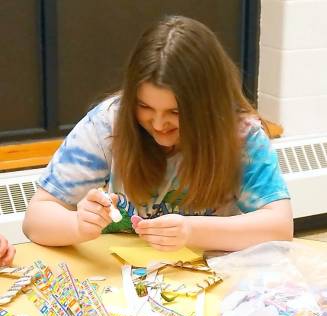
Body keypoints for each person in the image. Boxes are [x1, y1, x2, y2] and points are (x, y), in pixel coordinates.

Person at [23, 15, 293, 252]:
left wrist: (191, 231)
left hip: (206, 277)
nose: (159, 124)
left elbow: (280, 227)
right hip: (118, 279)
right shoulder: (109, 123)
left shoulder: (241, 135)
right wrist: (77, 224)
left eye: (176, 112)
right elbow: (35, 220)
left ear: (209, 107)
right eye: (144, 107)